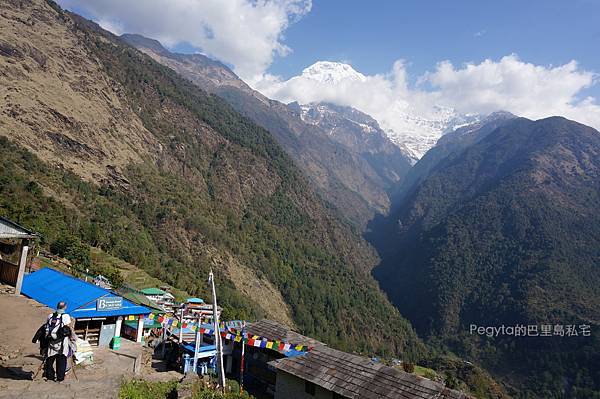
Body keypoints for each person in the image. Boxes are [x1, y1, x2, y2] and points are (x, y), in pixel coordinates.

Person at [44, 301, 74, 382]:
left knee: (50, 359)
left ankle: (50, 376)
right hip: (61, 342)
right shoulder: (66, 316)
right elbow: (68, 329)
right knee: (61, 360)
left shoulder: (50, 316)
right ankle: (60, 378)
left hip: (51, 341)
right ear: (65, 307)